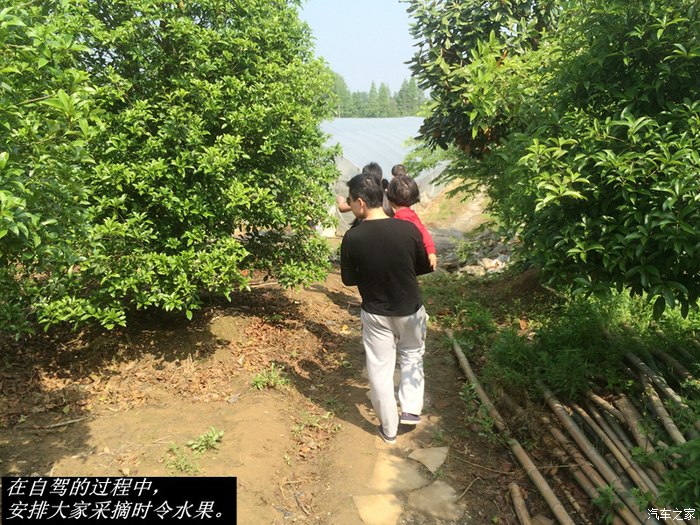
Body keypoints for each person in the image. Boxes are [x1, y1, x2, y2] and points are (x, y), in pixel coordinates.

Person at [340, 172, 433, 444]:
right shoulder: (408, 230)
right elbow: (423, 266)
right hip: (410, 309)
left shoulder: (352, 238)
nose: (350, 206)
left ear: (360, 202)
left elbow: (348, 279)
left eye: (350, 201)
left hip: (375, 313)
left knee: (380, 369)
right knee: (412, 355)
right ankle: (411, 409)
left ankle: (389, 430)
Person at [387, 175, 438, 271]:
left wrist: (431, 252)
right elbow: (424, 232)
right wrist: (431, 251)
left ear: (390, 197)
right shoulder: (411, 215)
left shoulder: (403, 217)